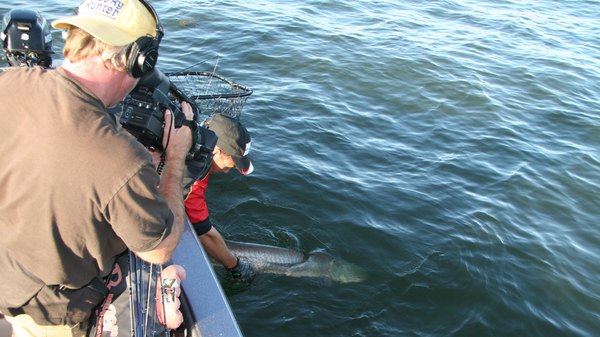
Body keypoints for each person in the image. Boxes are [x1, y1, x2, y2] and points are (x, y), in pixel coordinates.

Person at [0, 1, 193, 336]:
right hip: (45, 311)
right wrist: (175, 156)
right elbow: (158, 248)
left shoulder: (11, 82)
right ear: (140, 60)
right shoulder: (121, 159)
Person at [185, 113, 256, 282]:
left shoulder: (190, 136)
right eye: (231, 164)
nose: (228, 170)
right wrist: (235, 266)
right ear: (216, 151)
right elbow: (205, 234)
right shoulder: (193, 175)